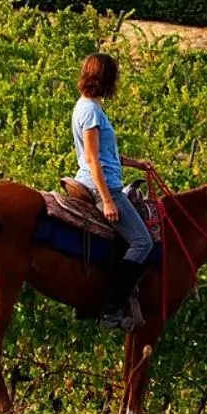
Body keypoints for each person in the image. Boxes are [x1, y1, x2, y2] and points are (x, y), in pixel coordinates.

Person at [73, 53, 153, 330]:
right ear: (106, 79)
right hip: (103, 186)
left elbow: (105, 154)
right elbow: (93, 159)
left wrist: (136, 163)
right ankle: (111, 308)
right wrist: (107, 199)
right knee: (143, 242)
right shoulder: (92, 113)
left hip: (99, 180)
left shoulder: (85, 106)